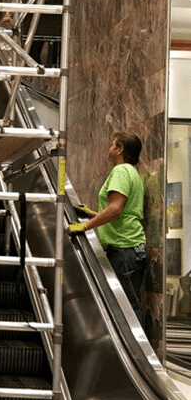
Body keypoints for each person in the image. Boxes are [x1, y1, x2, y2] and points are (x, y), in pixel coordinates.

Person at [68, 132, 147, 323]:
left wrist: (84, 226)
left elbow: (115, 209)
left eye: (112, 145)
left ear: (120, 150)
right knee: (128, 305)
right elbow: (124, 211)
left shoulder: (120, 171)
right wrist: (94, 214)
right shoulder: (132, 172)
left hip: (124, 248)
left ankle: (134, 353)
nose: (109, 149)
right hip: (130, 248)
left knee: (127, 308)